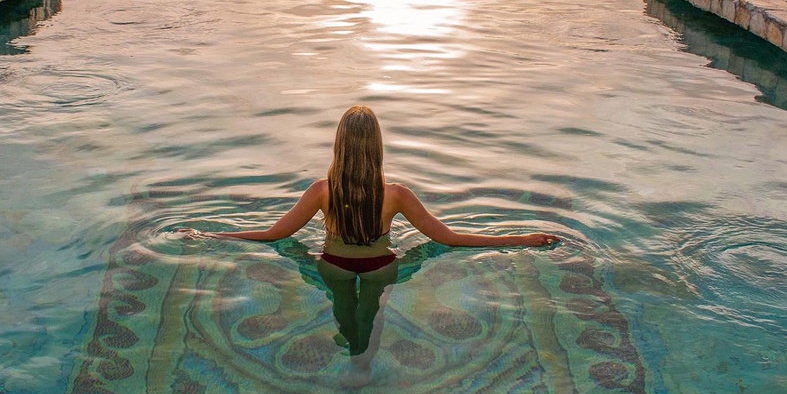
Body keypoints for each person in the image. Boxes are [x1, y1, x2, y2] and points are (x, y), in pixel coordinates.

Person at [207, 105, 559, 255]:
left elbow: (272, 236)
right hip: (380, 267)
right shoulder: (397, 196)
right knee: (372, 323)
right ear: (377, 147)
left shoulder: (321, 192)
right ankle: (365, 361)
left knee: (341, 315)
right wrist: (521, 239)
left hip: (334, 265)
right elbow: (450, 239)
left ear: (339, 145)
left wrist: (213, 234)